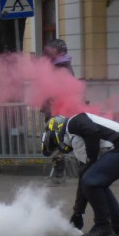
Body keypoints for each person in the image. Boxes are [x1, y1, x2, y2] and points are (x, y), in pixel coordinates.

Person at [43, 112, 119, 236]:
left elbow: (92, 132)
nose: (60, 148)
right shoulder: (77, 137)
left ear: (56, 131)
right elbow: (83, 180)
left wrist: (91, 159)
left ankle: (102, 225)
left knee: (92, 181)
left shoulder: (74, 122)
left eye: (55, 143)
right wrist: (78, 213)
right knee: (96, 181)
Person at [41, 38, 76, 183]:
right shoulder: (63, 67)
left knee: (57, 141)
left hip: (58, 112)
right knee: (61, 140)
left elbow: (55, 91)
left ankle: (59, 175)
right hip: (59, 110)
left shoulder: (60, 69)